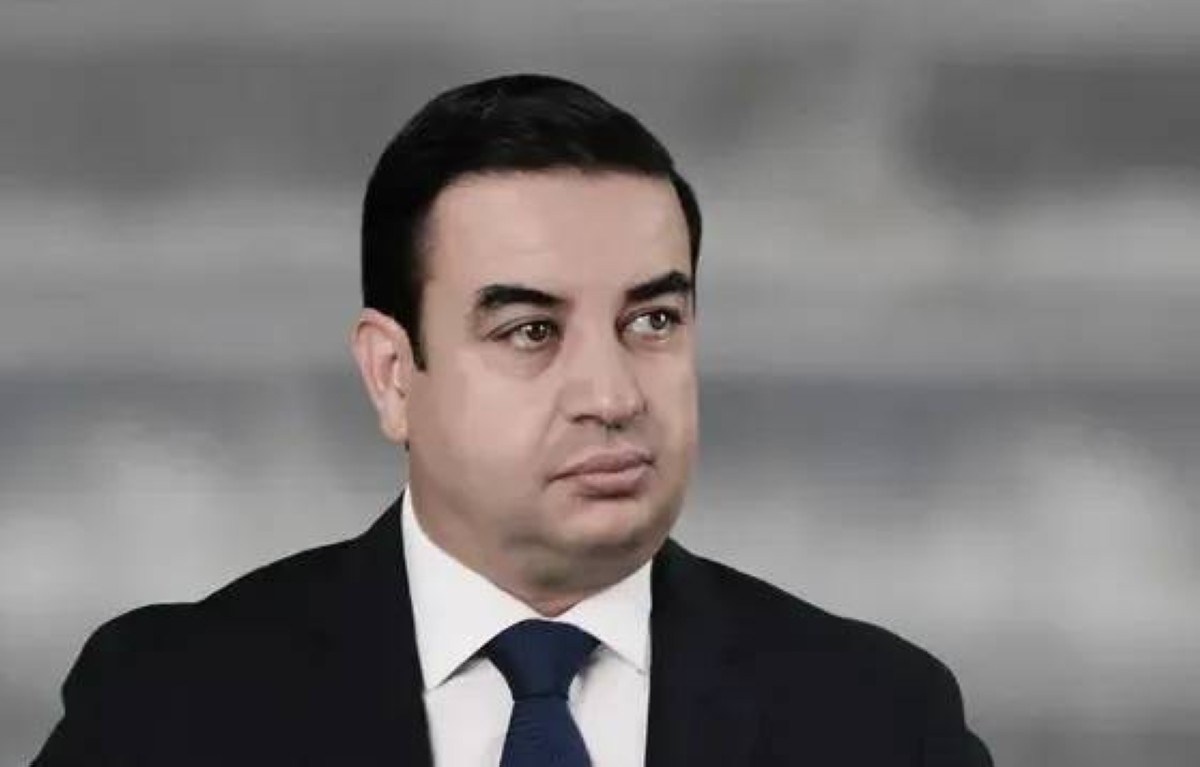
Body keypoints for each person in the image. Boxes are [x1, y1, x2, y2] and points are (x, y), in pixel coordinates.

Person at [33, 74, 991, 766]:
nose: (613, 396)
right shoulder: (166, 708)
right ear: (392, 375)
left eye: (653, 321)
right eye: (532, 330)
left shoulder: (879, 720)